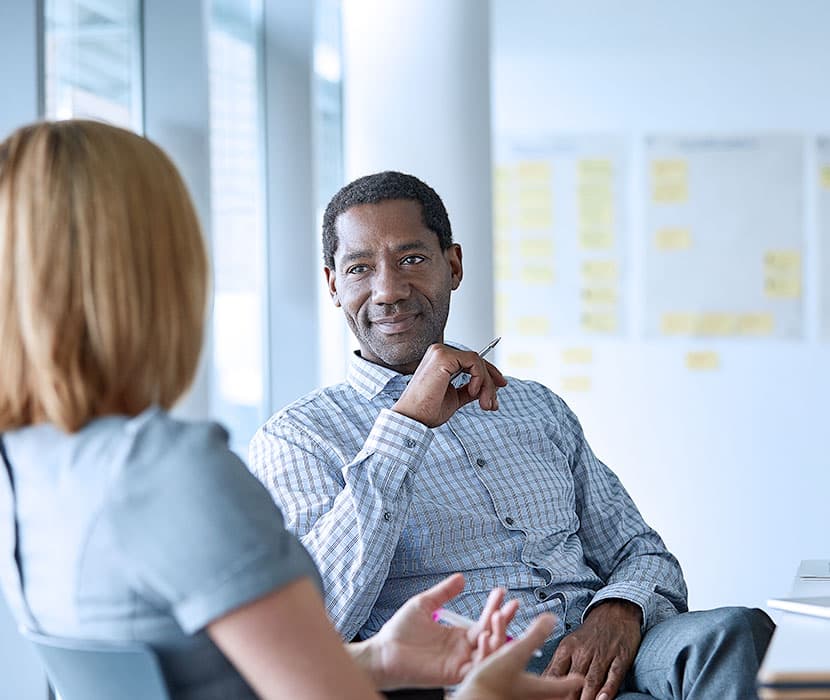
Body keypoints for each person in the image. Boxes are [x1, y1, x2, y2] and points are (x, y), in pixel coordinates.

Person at [0, 121, 585, 700]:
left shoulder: (29, 467)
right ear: (158, 274)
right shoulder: (168, 470)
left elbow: (214, 677)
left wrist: (377, 659)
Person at [249, 170, 776, 700]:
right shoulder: (297, 438)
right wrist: (404, 427)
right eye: (360, 268)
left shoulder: (535, 406)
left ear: (452, 266)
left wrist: (618, 611)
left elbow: (642, 551)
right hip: (472, 680)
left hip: (611, 656)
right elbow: (321, 622)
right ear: (334, 285)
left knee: (730, 632)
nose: (387, 289)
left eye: (412, 260)